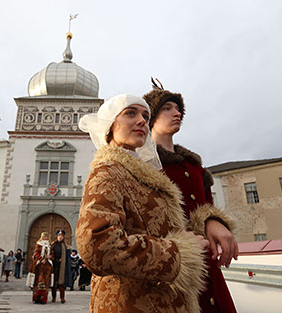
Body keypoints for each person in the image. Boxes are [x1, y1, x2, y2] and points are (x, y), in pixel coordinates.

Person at [76, 94, 209, 313]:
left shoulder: (141, 174)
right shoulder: (107, 171)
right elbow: (97, 246)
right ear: (110, 125)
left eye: (146, 116)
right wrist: (177, 254)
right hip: (128, 303)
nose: (142, 121)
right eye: (131, 113)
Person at [144, 79, 238, 313]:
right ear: (151, 117)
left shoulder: (194, 165)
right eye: (167, 108)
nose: (176, 113)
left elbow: (206, 204)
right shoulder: (142, 164)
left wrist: (213, 220)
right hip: (171, 271)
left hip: (207, 267)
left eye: (178, 109)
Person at [30, 232, 53, 304]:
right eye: (44, 236)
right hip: (39, 265)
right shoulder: (39, 244)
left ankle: (43, 298)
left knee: (46, 281)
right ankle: (37, 298)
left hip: (47, 265)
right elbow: (36, 253)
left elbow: (52, 253)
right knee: (38, 281)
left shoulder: (50, 245)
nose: (45, 238)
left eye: (46, 236)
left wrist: (50, 256)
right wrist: (41, 259)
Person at [50, 229, 72, 303]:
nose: (60, 237)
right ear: (57, 237)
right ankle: (54, 297)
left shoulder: (65, 246)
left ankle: (62, 298)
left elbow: (68, 257)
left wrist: (63, 260)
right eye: (59, 236)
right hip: (54, 265)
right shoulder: (53, 245)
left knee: (62, 284)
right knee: (54, 283)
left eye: (61, 236)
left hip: (62, 266)